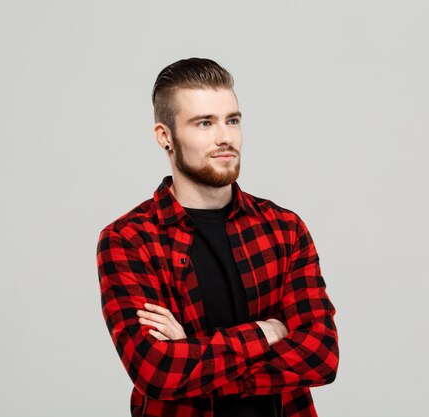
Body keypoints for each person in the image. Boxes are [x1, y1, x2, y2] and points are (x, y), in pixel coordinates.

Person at [96, 57, 339, 417]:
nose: (225, 137)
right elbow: (158, 371)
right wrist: (266, 332)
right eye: (204, 123)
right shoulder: (129, 240)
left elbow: (321, 356)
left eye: (233, 120)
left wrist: (191, 350)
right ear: (166, 137)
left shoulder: (284, 229)